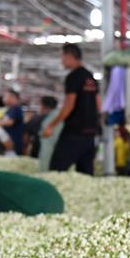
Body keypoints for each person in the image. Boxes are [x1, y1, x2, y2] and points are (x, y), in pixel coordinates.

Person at [44, 44, 101, 174]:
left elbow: (69, 105)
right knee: (85, 172)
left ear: (69, 56)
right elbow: (98, 104)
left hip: (75, 131)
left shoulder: (73, 77)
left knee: (56, 170)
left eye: (62, 57)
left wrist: (51, 125)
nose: (61, 61)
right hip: (90, 132)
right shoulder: (90, 77)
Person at [25, 95, 58, 160]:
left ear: (43, 106)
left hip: (37, 153)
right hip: (54, 154)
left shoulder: (36, 119)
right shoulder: (60, 121)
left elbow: (26, 136)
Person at [0, 89, 25, 156]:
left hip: (13, 143)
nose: (4, 98)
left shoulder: (16, 108)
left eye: (6, 96)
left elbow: (10, 122)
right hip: (8, 143)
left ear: (12, 97)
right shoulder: (10, 109)